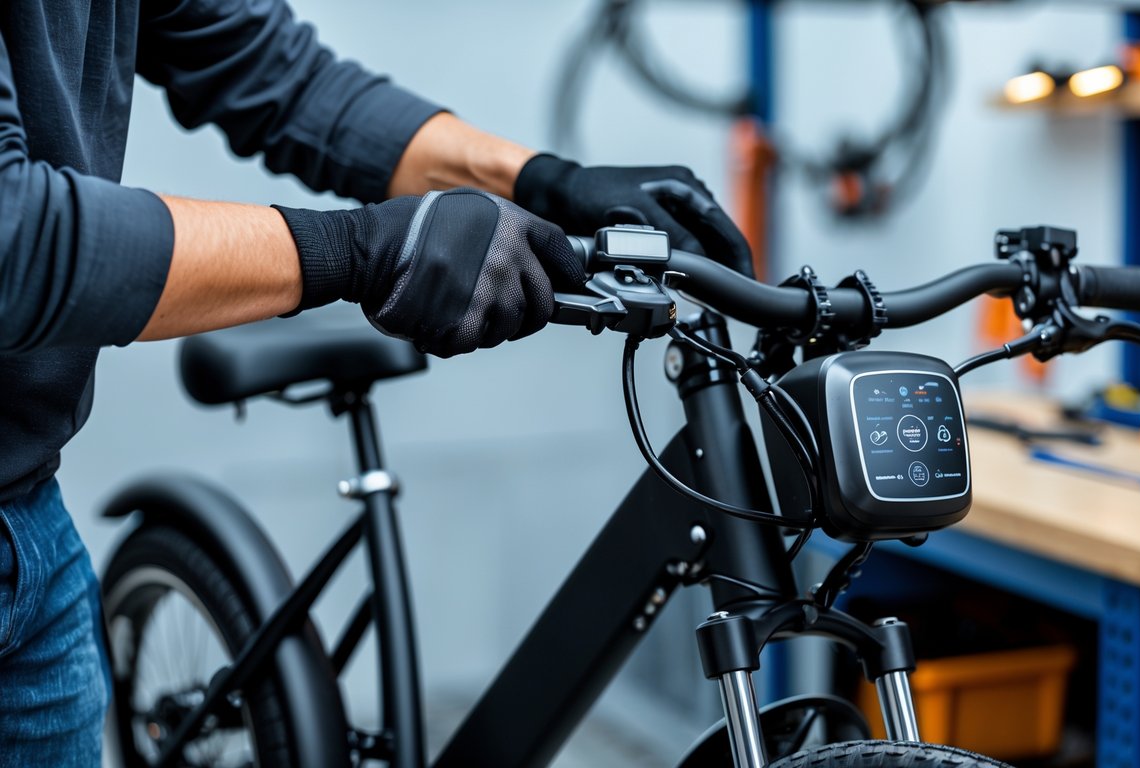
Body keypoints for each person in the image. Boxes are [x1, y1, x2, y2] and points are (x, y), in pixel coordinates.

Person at [0, 1, 752, 764]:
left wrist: (543, 181)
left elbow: (282, 78)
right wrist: (354, 250)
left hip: (34, 526)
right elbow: (12, 239)